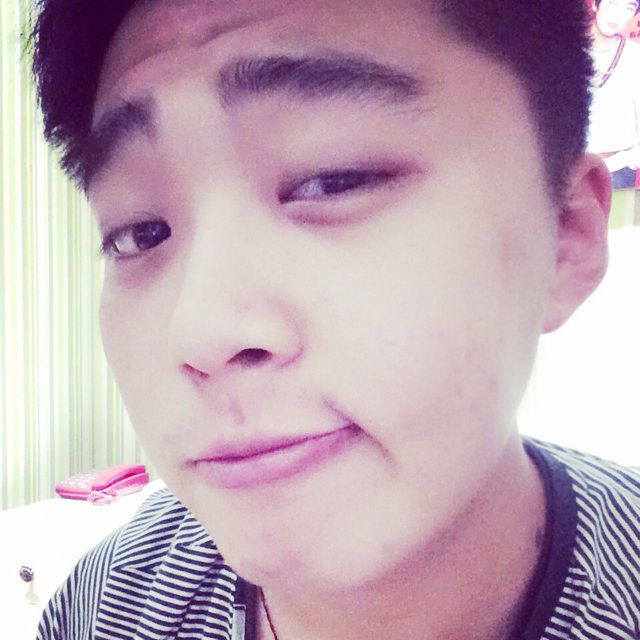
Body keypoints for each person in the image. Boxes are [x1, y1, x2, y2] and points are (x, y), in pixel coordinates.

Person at [30, 1, 640, 639]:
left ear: (565, 236)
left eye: (333, 180)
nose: (202, 331)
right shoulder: (104, 608)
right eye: (139, 232)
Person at [588, 0, 640, 188]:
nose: (618, 15)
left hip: (616, 172)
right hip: (565, 169)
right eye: (612, 3)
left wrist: (625, 161)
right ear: (595, 4)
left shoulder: (635, 58)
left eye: (628, 8)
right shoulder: (565, 53)